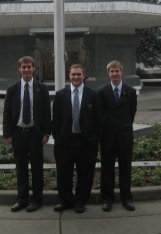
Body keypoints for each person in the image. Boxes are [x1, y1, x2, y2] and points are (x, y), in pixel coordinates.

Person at [2, 56, 51, 212]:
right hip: (18, 134)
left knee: (37, 168)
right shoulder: (12, 89)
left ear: (33, 68)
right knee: (20, 168)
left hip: (35, 134)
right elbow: (7, 113)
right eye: (23, 67)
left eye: (29, 67)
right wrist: (7, 134)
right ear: (19, 69)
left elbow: (46, 113)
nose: (26, 70)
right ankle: (22, 199)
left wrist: (46, 132)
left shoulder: (41, 88)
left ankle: (37, 199)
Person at [51, 64, 101, 213]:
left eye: (79, 74)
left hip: (86, 142)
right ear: (69, 75)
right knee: (63, 173)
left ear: (84, 75)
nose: (76, 77)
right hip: (65, 142)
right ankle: (66, 201)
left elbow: (98, 120)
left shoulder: (93, 95)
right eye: (73, 74)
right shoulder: (60, 95)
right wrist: (58, 138)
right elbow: (56, 120)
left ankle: (80, 201)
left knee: (85, 174)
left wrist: (94, 139)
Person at [98, 60, 137, 212]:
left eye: (117, 71)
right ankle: (107, 199)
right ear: (108, 73)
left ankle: (126, 198)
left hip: (124, 137)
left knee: (125, 168)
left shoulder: (130, 91)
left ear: (122, 72)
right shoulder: (102, 92)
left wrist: (124, 127)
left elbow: (131, 113)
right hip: (107, 138)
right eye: (112, 71)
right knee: (107, 169)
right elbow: (100, 115)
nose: (115, 74)